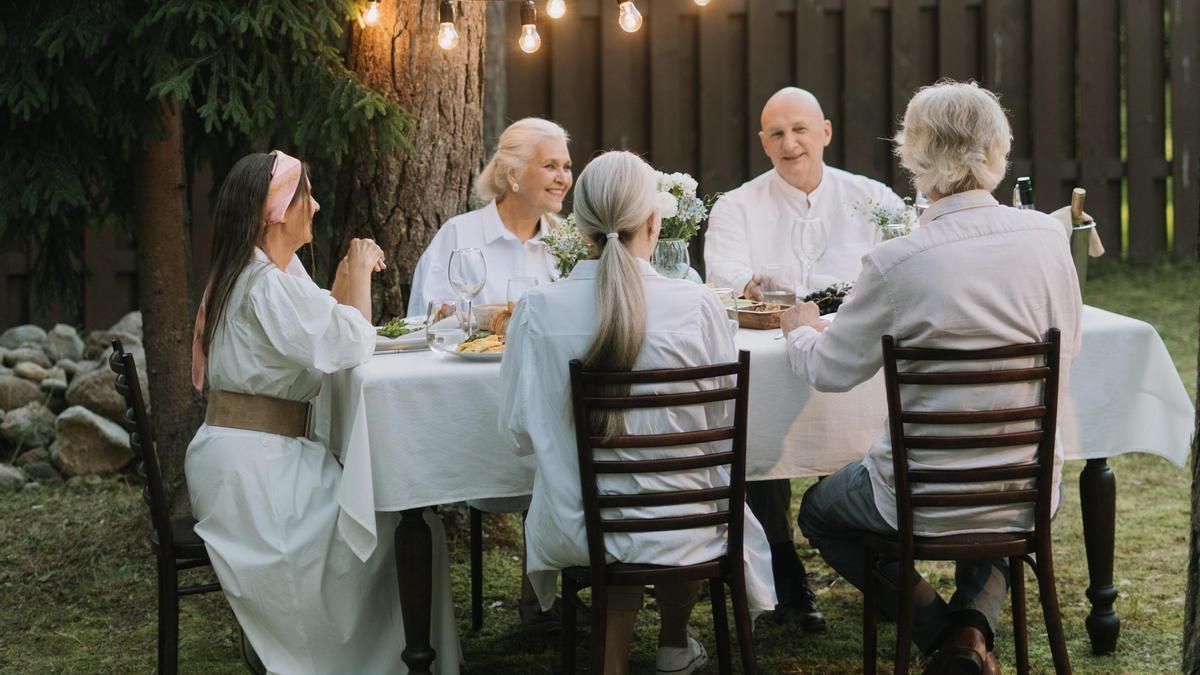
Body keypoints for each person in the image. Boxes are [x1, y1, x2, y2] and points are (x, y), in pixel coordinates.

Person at [781, 81, 1082, 673]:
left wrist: (798, 327)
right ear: (998, 150)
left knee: (818, 511)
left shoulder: (899, 262)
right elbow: (1068, 342)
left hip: (915, 497)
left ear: (913, 154)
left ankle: (938, 631)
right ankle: (970, 635)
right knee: (999, 499)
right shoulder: (1050, 239)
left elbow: (831, 369)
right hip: (1024, 485)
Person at [499, 151, 776, 675]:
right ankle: (674, 644)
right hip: (692, 521)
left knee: (622, 509)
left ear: (578, 226)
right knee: (677, 488)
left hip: (580, 524)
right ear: (655, 220)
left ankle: (614, 662)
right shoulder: (697, 306)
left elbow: (517, 431)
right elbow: (722, 423)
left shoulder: (537, 310)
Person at [187, 151, 460, 674]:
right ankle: (364, 661)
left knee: (407, 524)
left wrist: (339, 281)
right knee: (405, 532)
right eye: (304, 195)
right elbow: (349, 343)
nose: (315, 205)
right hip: (259, 478)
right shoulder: (264, 283)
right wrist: (359, 273)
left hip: (258, 460)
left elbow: (318, 328)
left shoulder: (265, 274)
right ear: (277, 212)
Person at [703, 86, 906, 631]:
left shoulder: (874, 198)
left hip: (854, 351)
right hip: (772, 352)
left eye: (800, 130)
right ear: (763, 142)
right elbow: (723, 277)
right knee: (757, 424)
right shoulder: (736, 206)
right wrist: (751, 285)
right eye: (776, 133)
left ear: (826, 132)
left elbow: (901, 262)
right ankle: (783, 567)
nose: (790, 143)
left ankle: (881, 561)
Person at [407, 117, 573, 316]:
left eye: (567, 167)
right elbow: (429, 321)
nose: (563, 179)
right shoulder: (458, 235)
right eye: (550, 166)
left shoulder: (569, 243)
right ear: (513, 174)